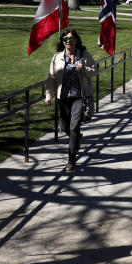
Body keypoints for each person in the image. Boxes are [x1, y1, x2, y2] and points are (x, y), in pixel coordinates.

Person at [45, 28, 97, 171]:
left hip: (79, 97)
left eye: (71, 39)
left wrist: (84, 68)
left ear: (76, 41)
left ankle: (71, 159)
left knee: (74, 127)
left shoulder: (84, 55)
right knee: (65, 128)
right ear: (63, 42)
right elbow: (51, 78)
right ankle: (77, 138)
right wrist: (49, 95)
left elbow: (95, 70)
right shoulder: (57, 57)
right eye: (66, 39)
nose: (68, 42)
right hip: (63, 98)